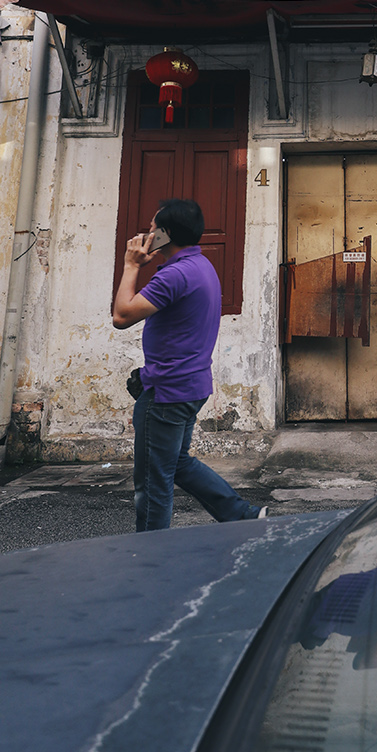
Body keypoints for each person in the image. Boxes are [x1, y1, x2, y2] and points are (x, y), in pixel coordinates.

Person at [112, 197, 265, 531]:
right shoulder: (201, 266)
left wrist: (132, 265)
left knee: (153, 483)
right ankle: (241, 515)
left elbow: (121, 316)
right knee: (177, 463)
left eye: (153, 227)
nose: (147, 232)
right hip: (191, 386)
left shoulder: (175, 275)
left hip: (166, 392)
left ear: (165, 234)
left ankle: (151, 556)